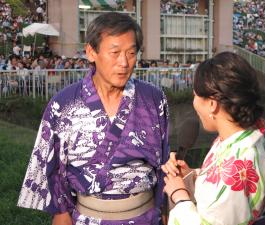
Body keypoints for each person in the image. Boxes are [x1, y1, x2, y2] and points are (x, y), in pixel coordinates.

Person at [18, 12, 169, 225]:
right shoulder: (64, 104)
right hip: (88, 218)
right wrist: (61, 214)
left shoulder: (153, 98)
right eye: (115, 52)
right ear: (91, 52)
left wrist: (166, 209)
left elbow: (164, 161)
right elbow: (52, 168)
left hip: (146, 217)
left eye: (131, 53)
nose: (124, 62)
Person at [162, 52, 265, 225]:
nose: (194, 102)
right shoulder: (245, 139)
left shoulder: (236, 166)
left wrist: (179, 194)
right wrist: (190, 175)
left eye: (196, 95)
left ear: (212, 104)